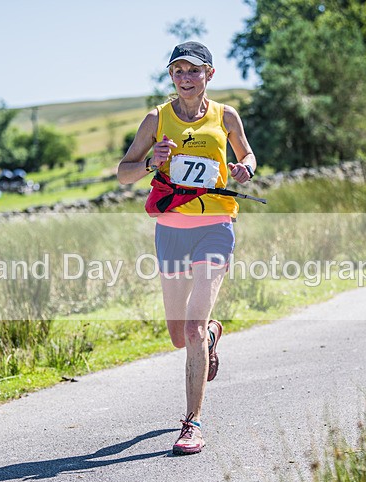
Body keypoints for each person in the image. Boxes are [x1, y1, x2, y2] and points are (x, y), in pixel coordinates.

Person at [117, 41, 256, 455]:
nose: (185, 78)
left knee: (192, 326)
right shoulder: (156, 119)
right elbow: (124, 174)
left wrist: (244, 168)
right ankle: (211, 336)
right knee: (180, 336)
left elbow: (247, 153)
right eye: (178, 71)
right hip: (171, 231)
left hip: (215, 225)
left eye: (193, 71)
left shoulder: (225, 115)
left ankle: (192, 422)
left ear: (209, 75)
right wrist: (149, 163)